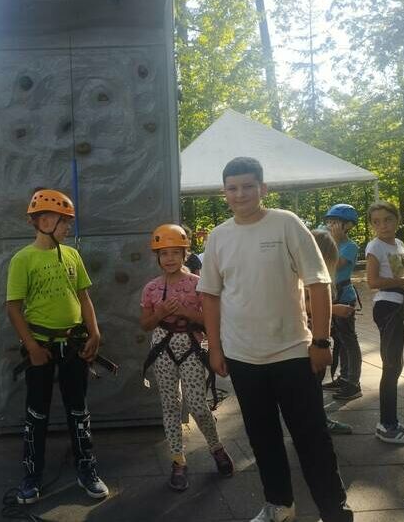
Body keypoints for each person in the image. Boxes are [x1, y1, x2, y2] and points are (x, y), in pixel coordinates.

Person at [198, 157, 352, 522]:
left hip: (293, 353)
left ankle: (334, 511)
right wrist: (215, 348)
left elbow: (318, 283)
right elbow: (210, 296)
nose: (240, 194)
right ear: (224, 193)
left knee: (312, 437)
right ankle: (279, 504)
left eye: (248, 186)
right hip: (242, 357)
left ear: (263, 189)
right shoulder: (219, 236)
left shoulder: (286, 223)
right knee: (262, 438)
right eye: (233, 188)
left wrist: (321, 342)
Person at [6, 189, 109, 504]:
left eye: (68, 222)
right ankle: (31, 475)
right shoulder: (23, 259)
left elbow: (84, 296)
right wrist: (31, 347)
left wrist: (94, 333)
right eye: (63, 221)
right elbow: (13, 307)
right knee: (36, 412)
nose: (67, 227)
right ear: (43, 221)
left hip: (73, 344)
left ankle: (86, 469)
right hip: (41, 345)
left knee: (78, 409)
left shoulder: (72, 255)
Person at [140, 224, 234, 491]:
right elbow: (145, 324)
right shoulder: (151, 288)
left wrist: (186, 312)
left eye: (175, 253)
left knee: (197, 405)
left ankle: (216, 447)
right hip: (163, 347)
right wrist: (159, 313)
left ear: (185, 254)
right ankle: (177, 460)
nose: (169, 258)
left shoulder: (198, 284)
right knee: (170, 404)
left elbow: (210, 319)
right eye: (163, 253)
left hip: (191, 346)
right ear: (157, 257)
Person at [365, 201, 404, 445]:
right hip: (387, 307)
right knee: (392, 366)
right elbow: (372, 282)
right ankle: (387, 425)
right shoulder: (375, 246)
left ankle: (389, 423)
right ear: (372, 225)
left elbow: (399, 276)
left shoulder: (398, 243)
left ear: (397, 220)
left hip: (398, 306)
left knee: (394, 365)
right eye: (376, 222)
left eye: (387, 219)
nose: (382, 225)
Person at [311, 230, 355, 436]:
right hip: (311, 341)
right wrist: (334, 309)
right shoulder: (308, 280)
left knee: (314, 381)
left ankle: (316, 419)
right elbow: (300, 305)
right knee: (312, 382)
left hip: (315, 337)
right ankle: (316, 423)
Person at [320, 205, 363, 401]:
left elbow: (334, 264)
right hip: (331, 296)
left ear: (348, 226)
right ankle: (344, 378)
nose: (330, 226)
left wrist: (335, 241)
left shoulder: (350, 246)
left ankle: (353, 383)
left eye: (335, 223)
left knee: (349, 341)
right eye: (329, 222)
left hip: (344, 297)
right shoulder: (329, 243)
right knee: (340, 341)